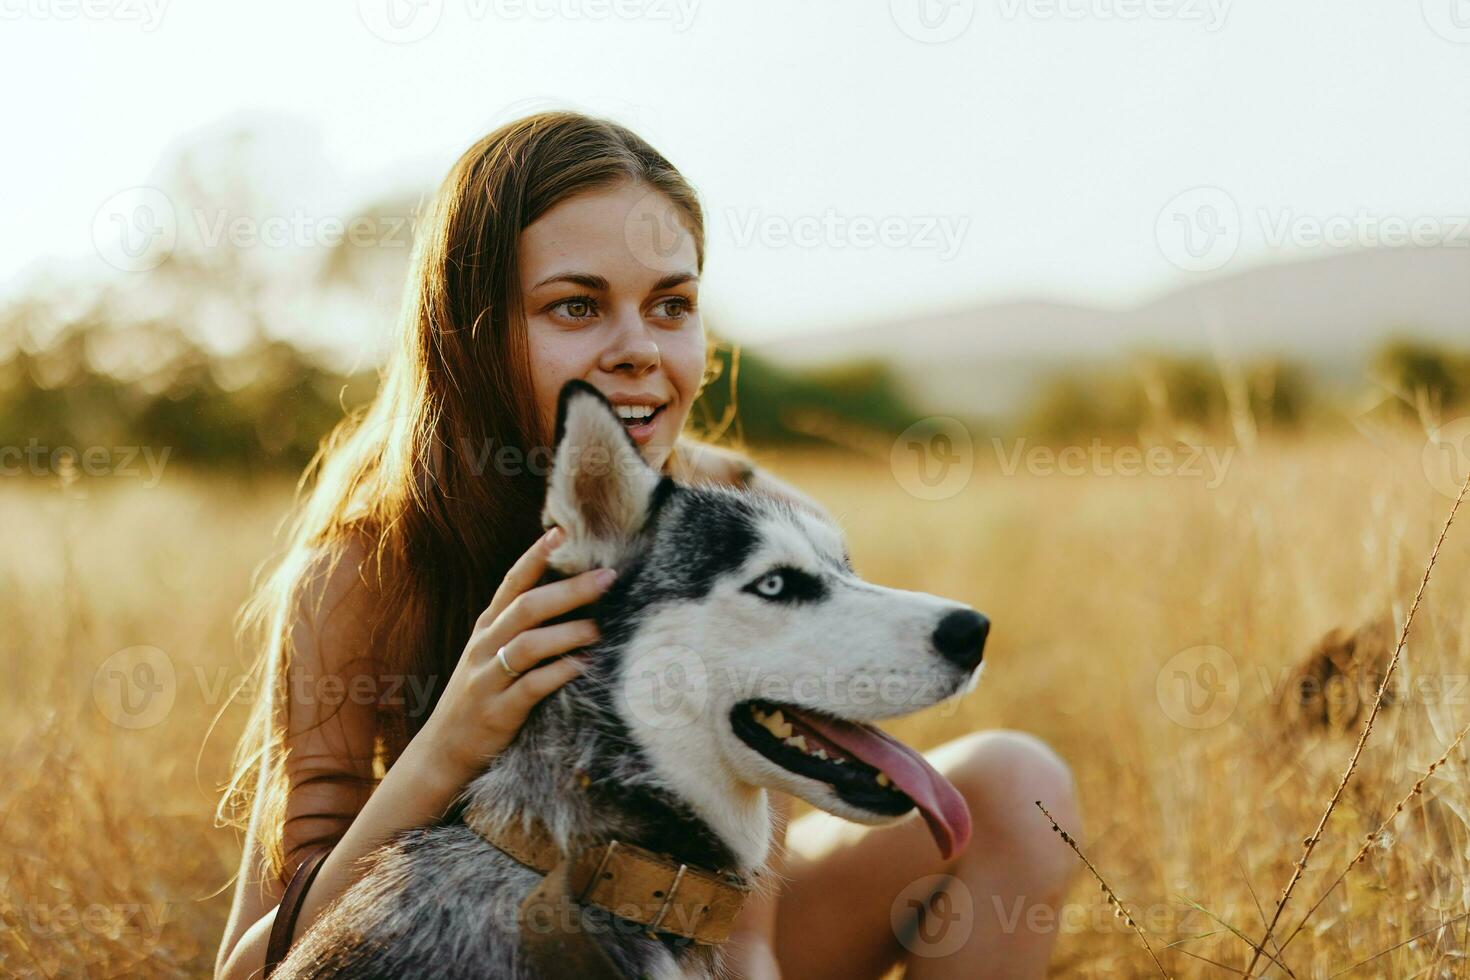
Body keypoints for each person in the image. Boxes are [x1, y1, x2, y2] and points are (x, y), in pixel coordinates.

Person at [213, 109, 1081, 980]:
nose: (638, 350)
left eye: (672, 304)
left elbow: (745, 936)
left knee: (1015, 781)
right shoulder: (371, 564)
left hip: (700, 933)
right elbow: (253, 970)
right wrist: (445, 747)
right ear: (471, 333)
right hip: (471, 933)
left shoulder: (755, 519)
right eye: (576, 306)